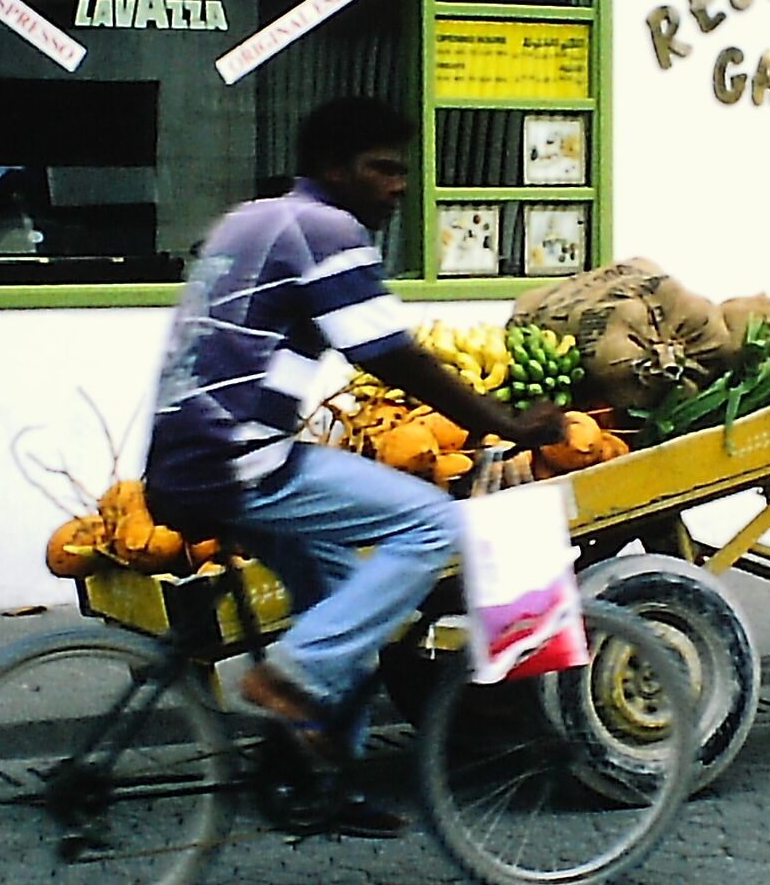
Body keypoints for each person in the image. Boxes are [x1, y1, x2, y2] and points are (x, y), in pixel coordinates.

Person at [143, 96, 568, 818]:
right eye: (383, 169)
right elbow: (392, 355)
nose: (398, 187)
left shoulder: (251, 219)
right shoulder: (323, 228)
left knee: (343, 595)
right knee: (434, 525)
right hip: (241, 458)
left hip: (184, 459)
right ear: (333, 169)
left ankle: (320, 782)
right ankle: (292, 680)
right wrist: (508, 424)